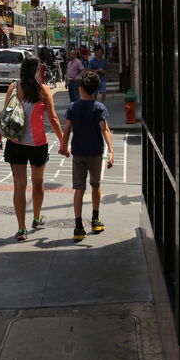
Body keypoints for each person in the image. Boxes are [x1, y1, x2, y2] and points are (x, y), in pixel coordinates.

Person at [0, 55, 64, 241]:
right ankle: (36, 218)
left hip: (16, 143)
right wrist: (63, 142)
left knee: (19, 185)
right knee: (38, 182)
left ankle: (21, 228)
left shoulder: (13, 88)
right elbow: (54, 119)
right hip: (38, 144)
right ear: (37, 71)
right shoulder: (44, 90)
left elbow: (5, 116)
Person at [59, 69, 114, 242]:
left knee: (79, 189)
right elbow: (105, 129)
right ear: (96, 88)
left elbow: (66, 130)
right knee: (96, 184)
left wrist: (63, 147)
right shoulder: (99, 107)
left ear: (81, 87)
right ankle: (95, 219)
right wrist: (111, 151)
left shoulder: (73, 107)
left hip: (78, 153)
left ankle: (78, 226)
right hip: (96, 152)